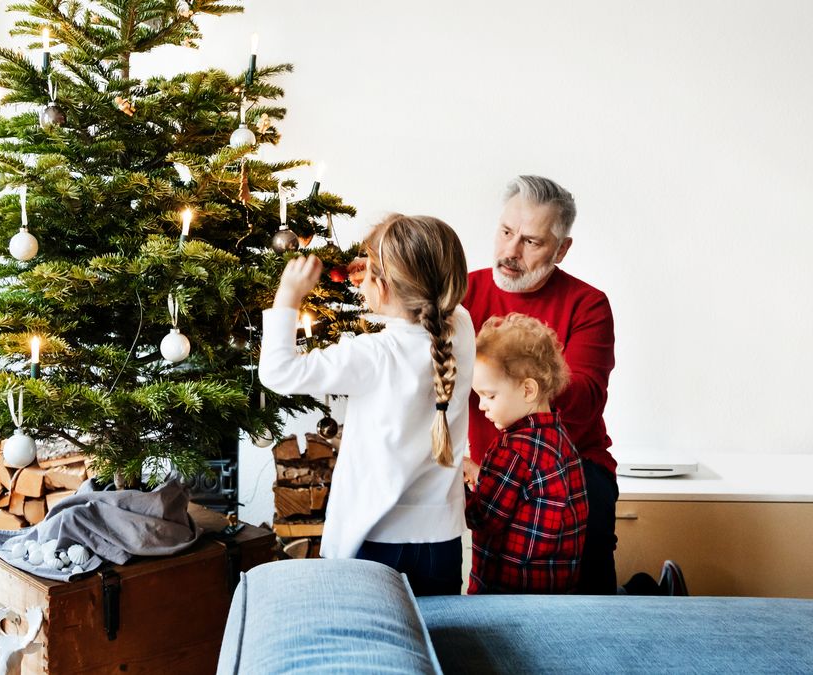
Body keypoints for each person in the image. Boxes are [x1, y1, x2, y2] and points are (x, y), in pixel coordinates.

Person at [259, 214, 475, 595]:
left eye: (370, 269)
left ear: (385, 286)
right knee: (438, 638)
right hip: (441, 539)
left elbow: (278, 372)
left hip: (374, 541)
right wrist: (382, 269)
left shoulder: (374, 355)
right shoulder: (461, 328)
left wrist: (288, 296)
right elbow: (424, 288)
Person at [462, 175, 618, 594]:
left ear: (562, 249)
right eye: (506, 232)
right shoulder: (460, 294)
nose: (510, 252)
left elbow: (583, 403)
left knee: (586, 563)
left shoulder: (589, 304)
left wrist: (518, 370)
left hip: (573, 463)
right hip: (491, 464)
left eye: (531, 242)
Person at [465, 313, 588, 594]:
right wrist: (480, 474)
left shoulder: (511, 451)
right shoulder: (559, 438)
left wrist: (451, 485)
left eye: (490, 395)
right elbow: (522, 492)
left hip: (509, 591)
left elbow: (482, 517)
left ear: (528, 389)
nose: (482, 406)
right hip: (555, 586)